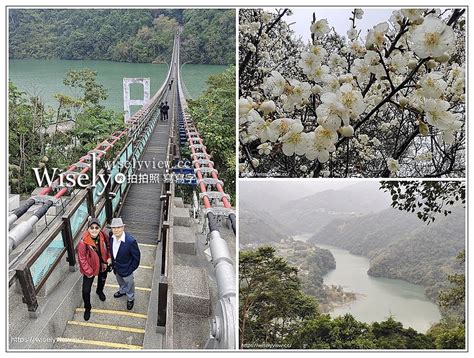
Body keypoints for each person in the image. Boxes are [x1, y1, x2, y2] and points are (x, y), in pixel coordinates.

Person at [76, 218, 112, 321]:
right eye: (92, 228)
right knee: (85, 291)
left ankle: (99, 291)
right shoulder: (83, 243)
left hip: (102, 264)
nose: (94, 230)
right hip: (90, 269)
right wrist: (89, 272)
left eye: (97, 228)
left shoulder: (103, 235)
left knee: (102, 280)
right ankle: (87, 307)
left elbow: (108, 246)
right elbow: (82, 259)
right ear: (88, 229)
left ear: (100, 228)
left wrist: (109, 257)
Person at [109, 218, 141, 310]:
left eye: (119, 227)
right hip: (116, 268)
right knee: (120, 282)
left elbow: (136, 258)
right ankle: (122, 291)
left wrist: (130, 269)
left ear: (123, 228)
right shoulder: (111, 236)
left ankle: (130, 298)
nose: (116, 230)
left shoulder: (130, 241)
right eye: (114, 228)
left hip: (127, 269)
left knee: (130, 284)